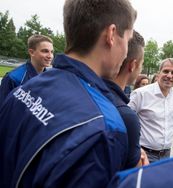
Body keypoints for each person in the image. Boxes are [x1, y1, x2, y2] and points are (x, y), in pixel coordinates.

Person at [0, 0, 137, 188]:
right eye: (128, 40)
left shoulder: (25, 89)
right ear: (111, 34)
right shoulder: (104, 126)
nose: (126, 52)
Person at [128, 58, 173, 163]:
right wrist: (135, 149)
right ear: (158, 73)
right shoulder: (141, 94)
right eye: (166, 71)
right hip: (144, 154)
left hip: (166, 156)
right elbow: (125, 121)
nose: (169, 75)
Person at [104, 31, 149, 168]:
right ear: (133, 65)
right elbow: (133, 176)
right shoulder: (126, 116)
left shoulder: (90, 90)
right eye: (141, 64)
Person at [0, 34, 54, 106]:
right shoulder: (13, 78)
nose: (50, 56)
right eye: (45, 51)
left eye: (52, 52)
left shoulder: (51, 76)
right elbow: (3, 109)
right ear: (31, 52)